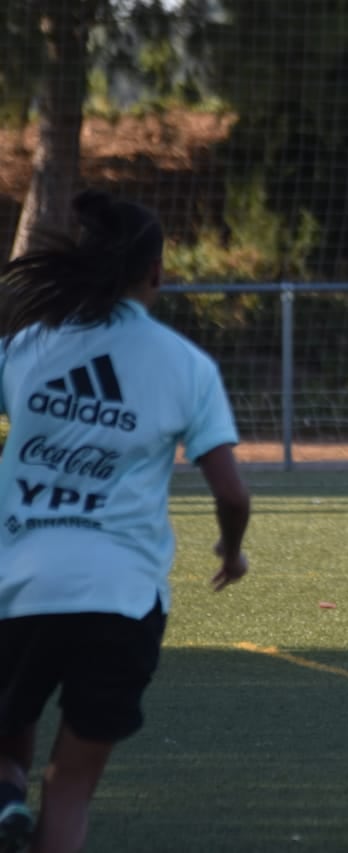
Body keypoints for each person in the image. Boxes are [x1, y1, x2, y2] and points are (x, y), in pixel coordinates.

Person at [0, 189, 251, 853]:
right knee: (72, 785)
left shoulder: (27, 345)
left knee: (10, 721)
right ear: (156, 272)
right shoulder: (186, 366)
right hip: (122, 597)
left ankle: (4, 794)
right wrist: (232, 548)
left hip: (16, 582)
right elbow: (232, 491)